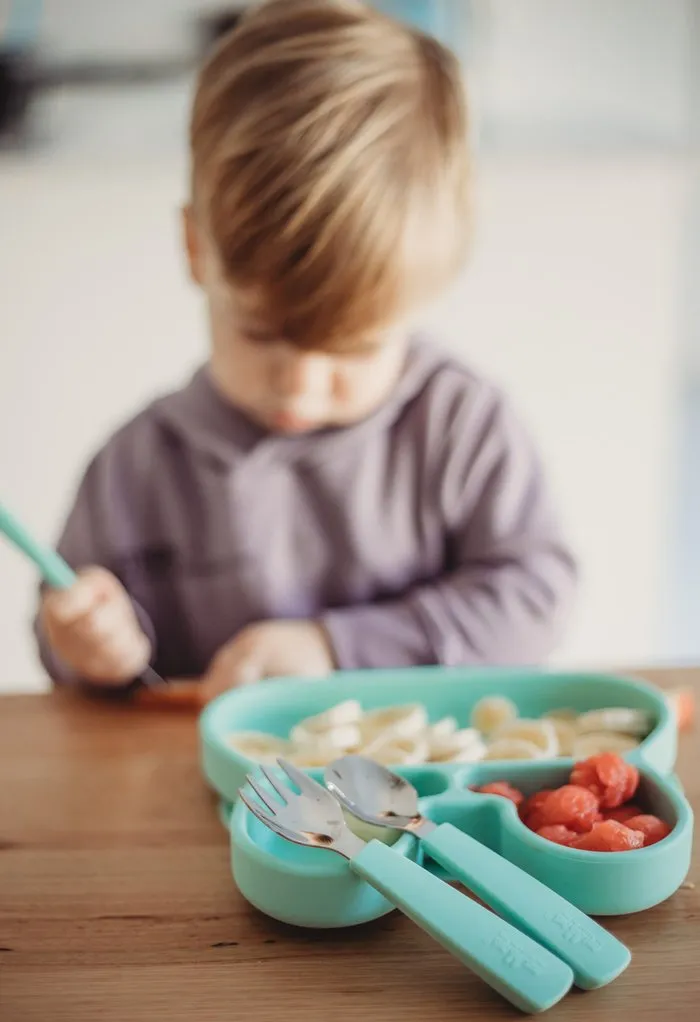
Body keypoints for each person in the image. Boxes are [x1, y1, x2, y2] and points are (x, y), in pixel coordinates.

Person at [36, 0, 577, 702]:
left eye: (352, 350)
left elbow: (536, 601)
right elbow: (71, 650)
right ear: (198, 250)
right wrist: (88, 646)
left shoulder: (459, 426)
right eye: (260, 334)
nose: (298, 387)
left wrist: (335, 646)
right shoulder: (136, 469)